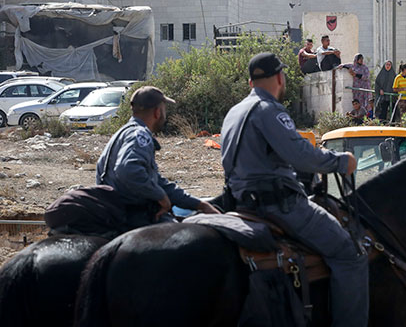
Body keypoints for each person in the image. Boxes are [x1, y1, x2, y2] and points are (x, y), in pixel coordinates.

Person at [220, 52, 367, 327]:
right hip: (279, 206)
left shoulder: (234, 112)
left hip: (241, 204)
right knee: (351, 255)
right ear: (279, 77)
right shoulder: (269, 110)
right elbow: (300, 155)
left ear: (251, 81)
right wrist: (339, 161)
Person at [96, 86, 218, 229]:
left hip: (116, 210)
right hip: (131, 215)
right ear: (157, 112)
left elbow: (157, 181)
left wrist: (199, 204)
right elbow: (127, 169)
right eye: (164, 109)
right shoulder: (140, 135)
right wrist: (160, 196)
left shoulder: (124, 132)